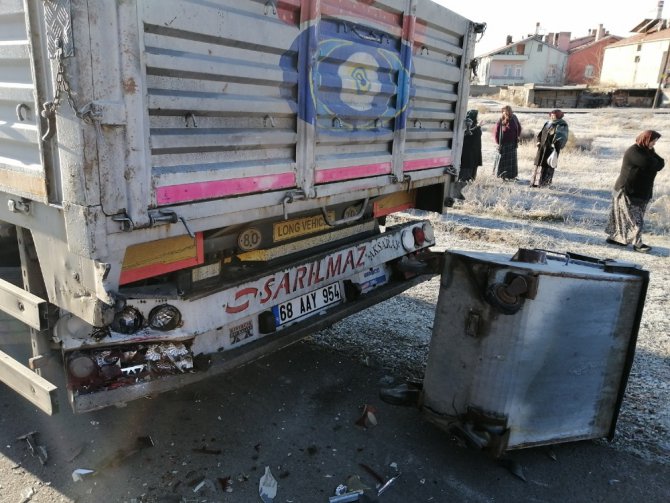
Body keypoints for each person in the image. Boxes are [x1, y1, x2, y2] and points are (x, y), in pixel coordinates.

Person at [605, 130, 664, 253]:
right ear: (645, 139)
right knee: (635, 219)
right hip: (627, 191)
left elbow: (661, 163)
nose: (654, 144)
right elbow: (648, 163)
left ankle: (617, 238)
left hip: (641, 191)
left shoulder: (647, 151)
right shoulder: (634, 151)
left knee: (630, 217)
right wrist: (655, 161)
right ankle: (638, 244)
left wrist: (655, 161)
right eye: (653, 141)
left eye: (655, 141)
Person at [446, 109, 483, 206]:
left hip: (468, 159)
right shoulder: (473, 129)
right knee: (464, 178)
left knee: (464, 179)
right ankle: (459, 197)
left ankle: (460, 198)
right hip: (469, 159)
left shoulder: (473, 129)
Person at [530, 109, 569, 187]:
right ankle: (534, 182)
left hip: (551, 149)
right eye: (551, 114)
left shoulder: (562, 124)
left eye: (553, 115)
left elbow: (561, 137)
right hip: (542, 147)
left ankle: (544, 183)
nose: (552, 116)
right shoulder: (548, 123)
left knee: (547, 165)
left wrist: (555, 146)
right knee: (538, 163)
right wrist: (538, 141)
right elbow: (541, 133)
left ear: (558, 116)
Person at [493, 105, 521, 180]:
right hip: (504, 144)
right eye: (504, 111)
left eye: (507, 111)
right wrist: (498, 143)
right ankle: (503, 176)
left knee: (512, 161)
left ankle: (512, 176)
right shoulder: (501, 120)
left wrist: (517, 136)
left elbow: (519, 127)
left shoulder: (514, 117)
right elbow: (496, 132)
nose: (506, 113)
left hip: (513, 143)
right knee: (504, 161)